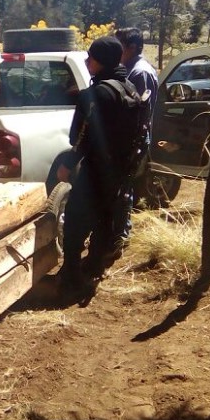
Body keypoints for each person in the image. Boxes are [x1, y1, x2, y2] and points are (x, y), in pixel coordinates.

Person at [53, 36, 141, 303]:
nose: (87, 61)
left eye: (90, 57)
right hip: (121, 171)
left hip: (94, 171)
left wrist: (68, 163)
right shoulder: (129, 90)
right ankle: (92, 267)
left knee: (75, 224)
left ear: (100, 61)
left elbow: (81, 135)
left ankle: (70, 275)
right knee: (105, 220)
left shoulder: (95, 94)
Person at [115, 28, 158, 240]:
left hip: (135, 138)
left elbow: (141, 112)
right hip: (130, 137)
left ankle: (122, 235)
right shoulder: (129, 69)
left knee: (124, 188)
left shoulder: (140, 73)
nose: (116, 49)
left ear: (131, 48)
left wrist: (132, 143)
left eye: (119, 45)